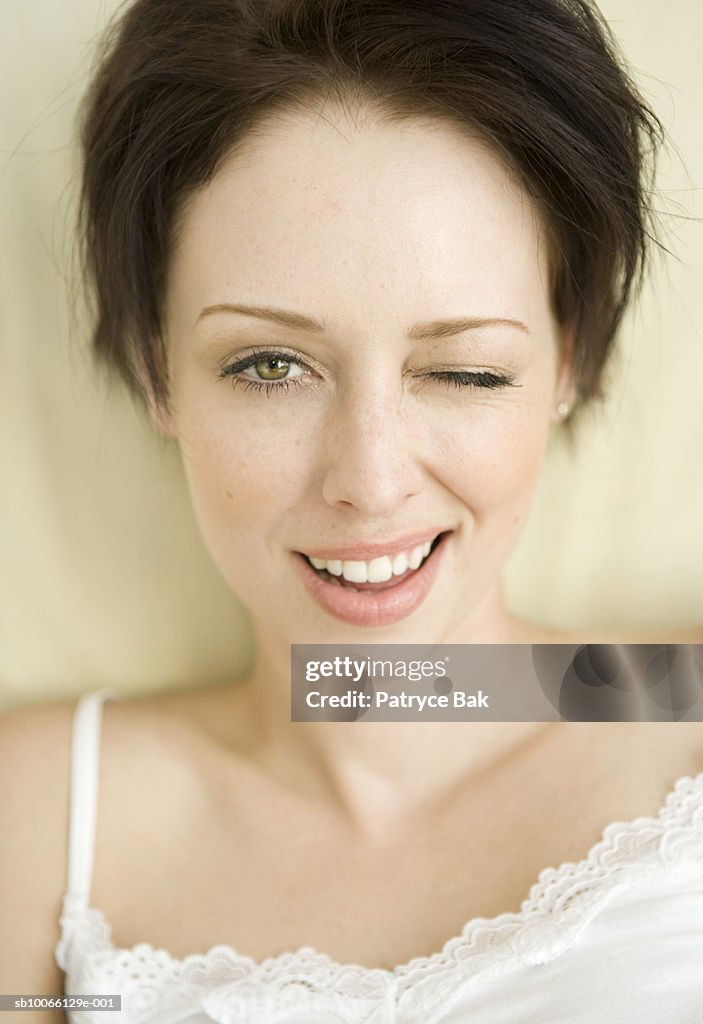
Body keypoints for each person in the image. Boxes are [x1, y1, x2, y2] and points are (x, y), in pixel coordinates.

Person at [1, 0, 701, 1021]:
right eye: (269, 365)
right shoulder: (46, 810)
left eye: (462, 371)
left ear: (572, 359)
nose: (368, 482)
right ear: (159, 372)